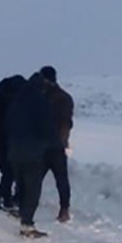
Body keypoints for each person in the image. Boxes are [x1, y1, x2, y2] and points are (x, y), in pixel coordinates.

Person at [6, 73, 60, 238]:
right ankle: (27, 224)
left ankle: (22, 214)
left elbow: (7, 125)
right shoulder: (40, 102)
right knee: (33, 188)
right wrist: (55, 144)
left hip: (14, 151)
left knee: (21, 184)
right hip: (32, 152)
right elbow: (48, 128)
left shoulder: (16, 102)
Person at [39, 66, 74, 223]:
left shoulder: (45, 97)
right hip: (57, 144)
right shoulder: (64, 97)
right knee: (61, 179)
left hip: (49, 144)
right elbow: (67, 123)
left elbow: (64, 123)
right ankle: (64, 209)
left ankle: (25, 205)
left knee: (36, 177)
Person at [0, 75, 26, 211]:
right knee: (10, 172)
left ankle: (6, 199)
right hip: (6, 142)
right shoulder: (10, 105)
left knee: (7, 171)